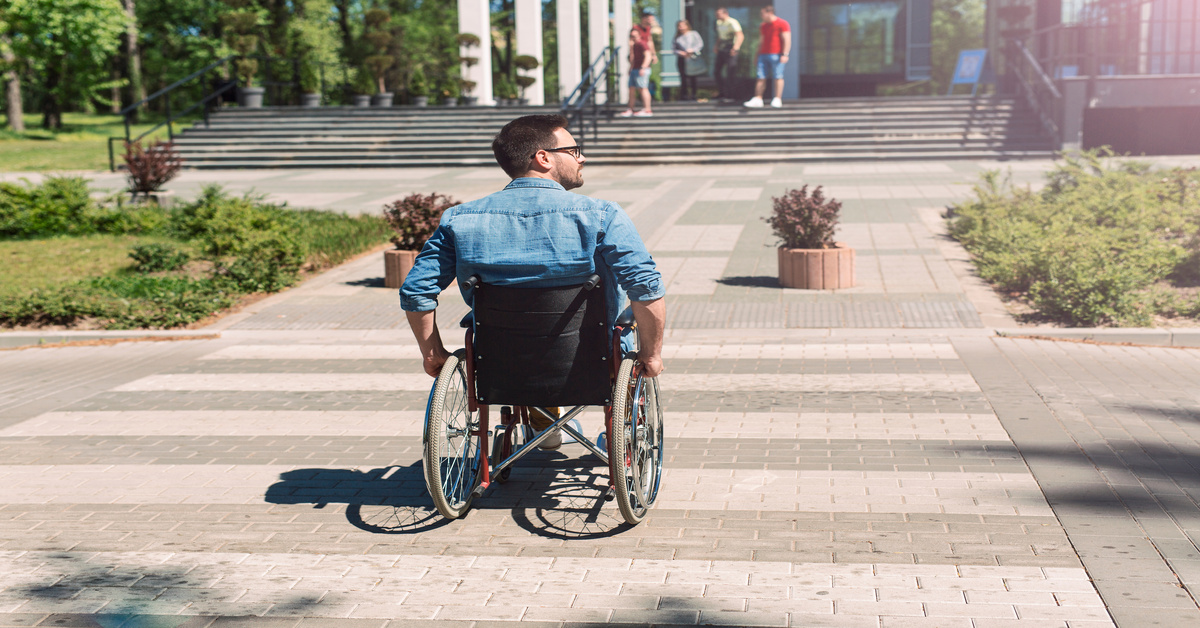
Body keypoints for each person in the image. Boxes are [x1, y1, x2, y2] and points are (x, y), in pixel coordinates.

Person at [400, 114, 666, 450]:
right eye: (575, 150)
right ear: (543, 158)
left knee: (513, 336)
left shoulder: (460, 219)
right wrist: (651, 354)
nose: (582, 157)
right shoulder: (602, 215)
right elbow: (646, 287)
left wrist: (432, 353)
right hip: (591, 359)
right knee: (623, 339)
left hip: (501, 363)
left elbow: (415, 291)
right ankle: (622, 428)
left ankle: (543, 425)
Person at [744, 5, 791, 109]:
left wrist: (785, 54)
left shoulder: (782, 23)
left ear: (769, 13)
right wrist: (756, 55)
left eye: (762, 14)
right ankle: (758, 98)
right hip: (763, 55)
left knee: (778, 76)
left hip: (777, 55)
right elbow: (761, 41)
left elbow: (787, 39)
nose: (761, 16)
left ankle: (777, 99)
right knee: (760, 77)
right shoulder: (763, 26)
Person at [620, 13, 658, 117]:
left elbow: (648, 50)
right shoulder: (636, 30)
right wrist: (631, 66)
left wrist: (646, 64)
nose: (633, 37)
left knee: (642, 88)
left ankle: (647, 110)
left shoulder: (642, 42)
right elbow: (631, 50)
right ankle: (630, 109)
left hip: (642, 67)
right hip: (635, 66)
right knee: (631, 88)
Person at [713, 7, 744, 101]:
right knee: (717, 71)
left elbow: (740, 35)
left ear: (725, 13)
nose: (717, 16)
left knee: (730, 72)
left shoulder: (732, 22)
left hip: (731, 48)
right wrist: (716, 46)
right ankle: (722, 93)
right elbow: (720, 36)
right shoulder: (718, 22)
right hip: (722, 48)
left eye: (719, 14)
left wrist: (736, 47)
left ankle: (732, 95)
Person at [673, 20, 704, 101]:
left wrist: (692, 50)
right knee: (683, 77)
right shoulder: (677, 37)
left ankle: (694, 95)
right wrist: (681, 53)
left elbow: (700, 44)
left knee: (693, 76)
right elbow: (674, 48)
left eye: (682, 25)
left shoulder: (693, 34)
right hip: (682, 59)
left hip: (692, 58)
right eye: (679, 26)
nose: (681, 27)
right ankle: (684, 95)